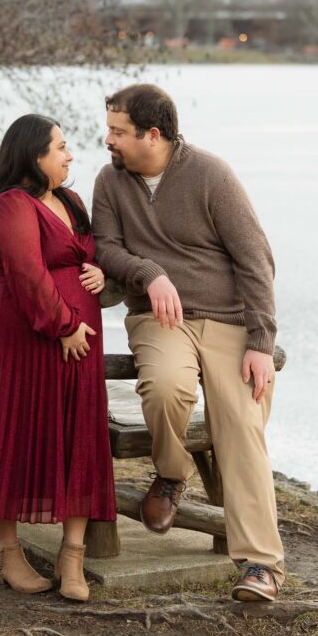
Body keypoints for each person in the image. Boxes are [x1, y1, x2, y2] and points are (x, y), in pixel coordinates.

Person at [92, 84, 285, 602]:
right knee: (164, 389)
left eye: (117, 131)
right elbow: (105, 248)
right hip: (159, 321)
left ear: (153, 135)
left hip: (229, 322)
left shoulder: (211, 175)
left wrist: (262, 342)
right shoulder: (110, 182)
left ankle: (261, 565)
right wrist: (150, 272)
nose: (106, 139)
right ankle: (173, 475)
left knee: (242, 425)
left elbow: (255, 260)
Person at [0, 114, 116, 601]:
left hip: (77, 345)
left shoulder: (70, 200)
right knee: (13, 433)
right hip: (23, 336)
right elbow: (27, 272)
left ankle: (73, 558)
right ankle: (7, 553)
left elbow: (84, 254)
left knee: (77, 436)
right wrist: (65, 325)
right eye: (61, 147)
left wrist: (99, 273)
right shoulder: (12, 205)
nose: (70, 156)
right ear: (35, 156)